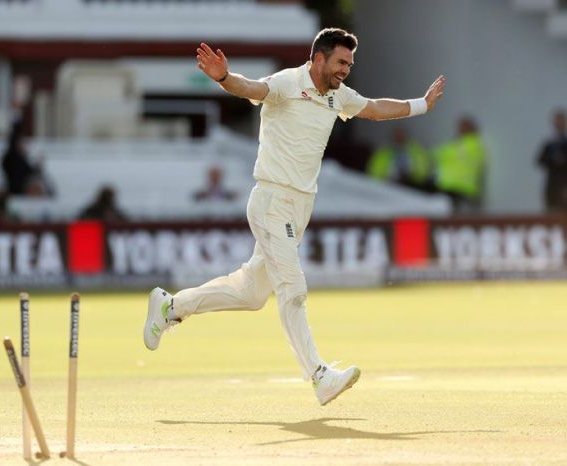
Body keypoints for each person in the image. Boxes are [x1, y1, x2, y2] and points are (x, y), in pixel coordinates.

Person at [144, 28, 445, 406]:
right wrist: (222, 77)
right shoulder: (289, 82)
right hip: (272, 200)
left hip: (298, 207)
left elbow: (373, 107)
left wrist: (421, 104)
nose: (345, 70)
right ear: (318, 58)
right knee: (293, 289)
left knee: (251, 294)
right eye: (340, 62)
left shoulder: (338, 96)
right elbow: (250, 88)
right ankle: (319, 376)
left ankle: (172, 307)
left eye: (349, 64)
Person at [433, 117, 486, 213]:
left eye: (464, 126)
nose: (460, 128)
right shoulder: (457, 143)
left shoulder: (471, 144)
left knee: (457, 220)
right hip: (449, 187)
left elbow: (442, 154)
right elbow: (437, 154)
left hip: (462, 189)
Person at [366, 126, 431, 190]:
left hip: (411, 185)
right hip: (387, 185)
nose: (399, 138)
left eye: (401, 135)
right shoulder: (384, 152)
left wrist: (412, 174)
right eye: (397, 136)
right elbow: (373, 173)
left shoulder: (416, 151)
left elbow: (423, 173)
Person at [537, 109, 567, 213]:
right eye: (556, 120)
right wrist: (553, 160)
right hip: (552, 184)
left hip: (564, 184)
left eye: (561, 120)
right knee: (551, 213)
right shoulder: (549, 143)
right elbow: (540, 161)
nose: (558, 123)